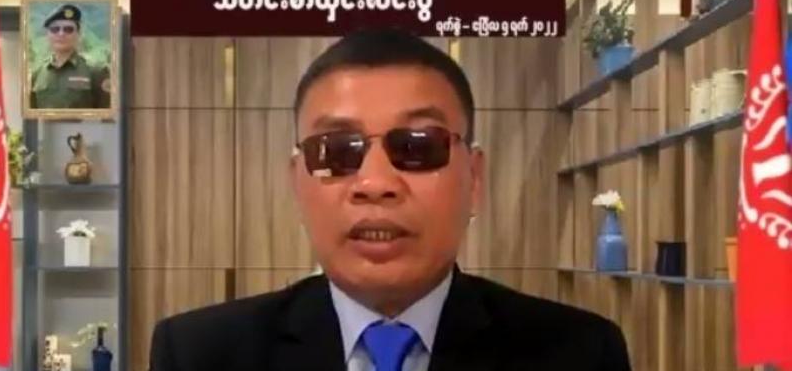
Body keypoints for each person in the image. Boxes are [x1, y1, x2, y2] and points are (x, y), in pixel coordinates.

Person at [149, 28, 631, 371]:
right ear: (298, 183)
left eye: (418, 146)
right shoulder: (198, 355)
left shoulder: (580, 354)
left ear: (474, 178)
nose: (375, 182)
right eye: (337, 150)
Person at [30, 3, 110, 109]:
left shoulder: (97, 70)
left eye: (68, 29)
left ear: (79, 34)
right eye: (55, 29)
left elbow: (105, 111)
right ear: (47, 35)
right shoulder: (37, 73)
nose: (61, 34)